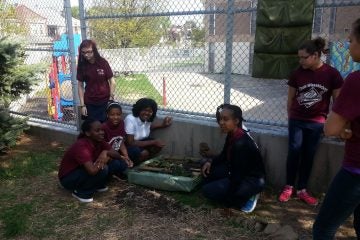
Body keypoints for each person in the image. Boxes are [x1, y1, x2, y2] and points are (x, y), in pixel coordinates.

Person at [278, 37, 344, 206]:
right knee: (294, 151)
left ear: (315, 55)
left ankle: (302, 190)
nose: (300, 61)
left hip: (317, 122)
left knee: (308, 155)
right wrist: (290, 116)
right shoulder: (297, 73)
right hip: (297, 120)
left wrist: (333, 124)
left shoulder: (332, 74)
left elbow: (337, 102)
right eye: (299, 57)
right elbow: (291, 98)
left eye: (304, 57)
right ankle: (289, 186)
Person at [313, 18, 360, 239]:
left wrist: (343, 126)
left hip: (355, 172)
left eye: (351, 40)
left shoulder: (355, 80)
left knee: (324, 228)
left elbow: (330, 128)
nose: (348, 46)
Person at [201, 104, 265, 213]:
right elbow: (223, 156)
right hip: (234, 171)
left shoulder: (242, 143)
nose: (221, 122)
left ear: (236, 121)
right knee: (206, 173)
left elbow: (238, 176)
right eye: (220, 119)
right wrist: (210, 162)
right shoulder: (232, 134)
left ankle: (250, 195)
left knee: (207, 191)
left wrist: (229, 203)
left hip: (250, 179)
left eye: (226, 119)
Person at [58, 119, 132, 203]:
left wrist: (106, 152)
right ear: (88, 133)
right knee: (103, 168)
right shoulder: (81, 146)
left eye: (102, 130)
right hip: (68, 178)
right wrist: (106, 158)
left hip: (83, 170)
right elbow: (92, 171)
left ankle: (98, 184)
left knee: (116, 163)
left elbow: (116, 155)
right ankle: (81, 192)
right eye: (97, 130)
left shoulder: (99, 141)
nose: (102, 132)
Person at [124, 98, 172, 165]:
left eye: (150, 111)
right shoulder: (130, 119)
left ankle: (143, 162)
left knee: (158, 145)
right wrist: (153, 142)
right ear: (139, 109)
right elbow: (130, 142)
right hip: (129, 146)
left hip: (140, 142)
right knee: (144, 153)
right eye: (144, 110)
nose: (147, 113)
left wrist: (162, 125)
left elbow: (147, 127)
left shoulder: (147, 118)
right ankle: (132, 166)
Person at [77, 39, 115, 122]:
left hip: (105, 101)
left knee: (104, 126)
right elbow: (80, 86)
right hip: (90, 102)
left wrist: (110, 99)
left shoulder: (103, 62)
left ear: (94, 50)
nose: (86, 55)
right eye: (83, 52)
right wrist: (82, 105)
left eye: (89, 51)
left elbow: (112, 81)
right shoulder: (82, 65)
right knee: (92, 127)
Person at [102, 102, 132, 169]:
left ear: (121, 114)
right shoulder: (104, 127)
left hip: (116, 151)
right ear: (107, 115)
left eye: (118, 114)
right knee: (117, 164)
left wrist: (126, 156)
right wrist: (121, 157)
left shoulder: (121, 123)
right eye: (112, 115)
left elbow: (120, 142)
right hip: (107, 153)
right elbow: (103, 148)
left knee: (133, 153)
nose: (115, 117)